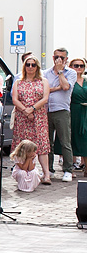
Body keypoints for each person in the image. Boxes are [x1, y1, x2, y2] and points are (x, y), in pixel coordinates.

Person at [11, 56, 52, 184]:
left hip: (38, 117)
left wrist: (32, 109)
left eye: (33, 65)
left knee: (42, 145)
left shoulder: (43, 81)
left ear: (37, 67)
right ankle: (23, 173)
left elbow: (45, 98)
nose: (30, 67)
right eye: (28, 64)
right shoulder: (19, 82)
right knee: (23, 144)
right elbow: (15, 99)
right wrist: (25, 110)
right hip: (22, 117)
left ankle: (46, 174)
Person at [45, 48, 77, 182]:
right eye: (56, 57)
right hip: (47, 110)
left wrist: (59, 72)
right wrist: (55, 88)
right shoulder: (46, 73)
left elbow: (65, 87)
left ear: (66, 59)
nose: (59, 60)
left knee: (65, 141)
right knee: (47, 142)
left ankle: (68, 169)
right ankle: (49, 169)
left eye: (62, 58)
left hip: (62, 110)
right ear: (53, 58)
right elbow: (44, 90)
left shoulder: (71, 73)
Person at [70, 57, 87, 172]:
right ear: (71, 67)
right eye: (76, 65)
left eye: (81, 66)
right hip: (73, 110)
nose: (79, 68)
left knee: (85, 137)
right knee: (72, 136)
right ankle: (71, 164)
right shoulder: (69, 80)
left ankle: (85, 165)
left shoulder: (86, 80)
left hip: (86, 111)